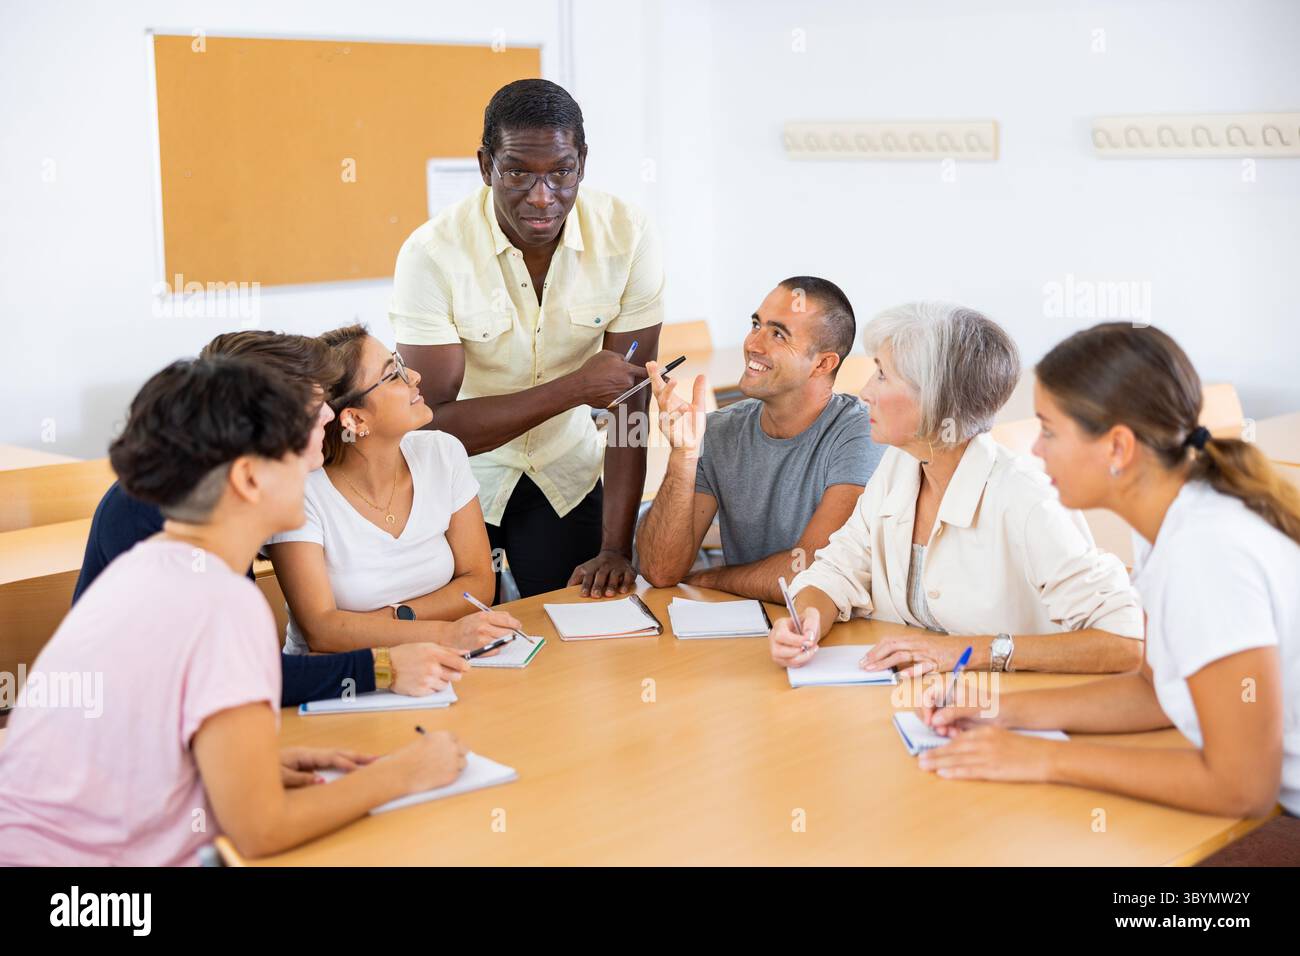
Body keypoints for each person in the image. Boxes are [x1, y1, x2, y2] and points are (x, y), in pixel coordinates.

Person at [0, 357, 469, 865]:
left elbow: (137, 732)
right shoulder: (220, 601)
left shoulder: (151, 566)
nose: (316, 466)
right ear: (248, 478)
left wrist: (246, 767)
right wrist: (404, 772)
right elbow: (260, 832)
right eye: (298, 452)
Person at [917, 322, 1300, 822]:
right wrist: (1005, 711)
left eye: (1049, 430)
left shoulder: (1206, 553)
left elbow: (1242, 788)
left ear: (1118, 448)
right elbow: (1154, 692)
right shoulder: (1172, 522)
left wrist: (1044, 758)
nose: (1035, 449)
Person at [71, 331, 464, 705]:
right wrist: (383, 668)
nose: (329, 414)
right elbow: (229, 679)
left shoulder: (216, 507)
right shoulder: (164, 523)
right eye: (312, 410)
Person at [390, 78, 664, 599]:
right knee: (469, 638)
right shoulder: (432, 255)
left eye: (561, 172)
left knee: (582, 642)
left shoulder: (628, 236)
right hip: (461, 478)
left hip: (566, 473)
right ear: (484, 164)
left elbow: (631, 404)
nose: (542, 198)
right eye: (516, 172)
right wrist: (573, 390)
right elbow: (431, 425)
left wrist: (616, 545)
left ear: (581, 162)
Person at [769, 302, 1144, 675]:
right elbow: (838, 569)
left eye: (882, 375)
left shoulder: (1028, 500)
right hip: (920, 705)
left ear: (934, 399)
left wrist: (970, 651)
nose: (864, 392)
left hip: (1008, 710)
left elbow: (1124, 641)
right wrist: (807, 620)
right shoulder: (899, 466)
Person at [266, 325, 523, 655]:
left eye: (400, 363)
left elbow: (479, 584)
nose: (414, 375)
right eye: (394, 374)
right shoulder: (302, 490)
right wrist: (445, 634)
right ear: (355, 421)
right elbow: (322, 631)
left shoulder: (443, 453)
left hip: (436, 663)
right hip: (334, 682)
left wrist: (395, 618)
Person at [636, 277, 884, 602]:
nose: (753, 343)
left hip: (836, 636)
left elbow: (812, 571)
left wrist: (709, 578)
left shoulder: (862, 433)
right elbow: (660, 571)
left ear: (823, 363)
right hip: (751, 629)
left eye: (778, 334)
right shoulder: (718, 432)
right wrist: (683, 454)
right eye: (756, 324)